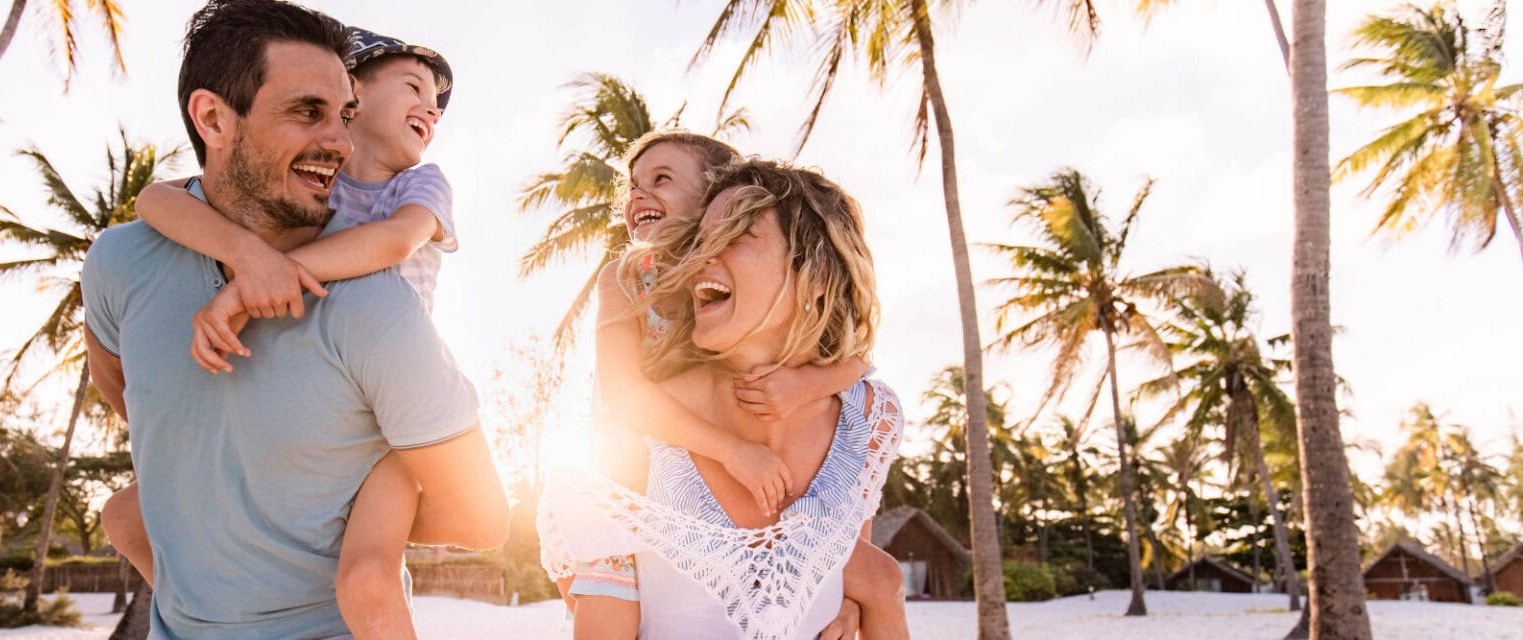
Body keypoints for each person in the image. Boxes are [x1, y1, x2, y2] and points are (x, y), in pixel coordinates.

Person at [81, 2, 506, 638]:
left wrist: (315, 498)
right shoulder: (119, 259)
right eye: (308, 112)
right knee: (123, 515)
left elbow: (481, 518)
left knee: (368, 578)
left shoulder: (376, 301)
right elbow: (124, 390)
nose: (338, 140)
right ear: (213, 118)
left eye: (346, 117)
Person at [543, 159, 909, 639]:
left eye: (734, 237)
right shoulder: (628, 443)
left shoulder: (868, 419)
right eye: (699, 242)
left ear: (818, 277)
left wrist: (853, 600)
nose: (700, 260)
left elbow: (860, 565)